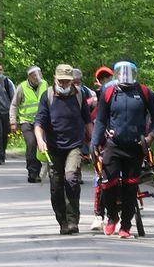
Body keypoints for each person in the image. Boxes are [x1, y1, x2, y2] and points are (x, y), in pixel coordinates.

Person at [91, 61, 154, 239]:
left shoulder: (144, 92)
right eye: (121, 72)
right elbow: (100, 119)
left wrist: (151, 136)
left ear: (134, 73)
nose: (124, 75)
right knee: (107, 184)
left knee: (131, 187)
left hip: (136, 147)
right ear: (115, 74)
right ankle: (112, 216)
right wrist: (95, 142)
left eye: (128, 72)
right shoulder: (109, 92)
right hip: (113, 145)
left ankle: (126, 225)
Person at [34, 64, 93, 235]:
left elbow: (87, 120)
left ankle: (73, 220)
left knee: (71, 178)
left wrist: (94, 142)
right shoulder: (48, 96)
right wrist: (40, 140)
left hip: (74, 145)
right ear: (55, 79)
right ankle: (62, 221)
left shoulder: (79, 95)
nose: (65, 84)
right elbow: (39, 122)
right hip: (53, 147)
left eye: (68, 81)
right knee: (56, 185)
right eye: (61, 81)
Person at [10, 66, 48, 182]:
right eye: (35, 76)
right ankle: (33, 172)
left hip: (42, 122)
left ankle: (45, 170)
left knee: (42, 145)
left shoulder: (44, 84)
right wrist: (13, 122)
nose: (37, 78)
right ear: (29, 77)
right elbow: (14, 105)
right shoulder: (22, 87)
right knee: (31, 144)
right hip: (27, 122)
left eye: (39, 75)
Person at [89, 66, 113, 231]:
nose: (106, 81)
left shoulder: (127, 96)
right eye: (102, 79)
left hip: (124, 144)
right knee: (101, 179)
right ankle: (99, 215)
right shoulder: (94, 103)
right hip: (103, 146)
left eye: (108, 77)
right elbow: (90, 123)